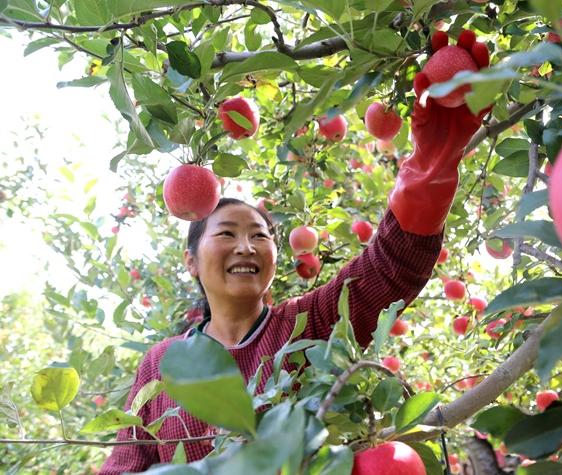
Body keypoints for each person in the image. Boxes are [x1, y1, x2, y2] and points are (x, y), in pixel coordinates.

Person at [100, 30, 490, 474]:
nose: (245, 246)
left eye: (260, 236)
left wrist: (432, 162)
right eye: (226, 234)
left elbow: (392, 266)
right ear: (191, 260)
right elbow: (124, 466)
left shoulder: (308, 325)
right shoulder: (163, 363)